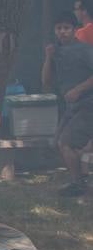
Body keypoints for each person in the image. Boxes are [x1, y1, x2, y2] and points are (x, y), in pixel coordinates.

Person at [42, 12, 93, 197]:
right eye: (59, 28)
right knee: (58, 143)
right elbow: (46, 82)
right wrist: (48, 57)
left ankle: (78, 183)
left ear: (74, 30)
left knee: (66, 142)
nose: (62, 32)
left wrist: (79, 89)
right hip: (70, 107)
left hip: (88, 105)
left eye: (66, 28)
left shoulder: (85, 50)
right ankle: (82, 180)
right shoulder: (56, 52)